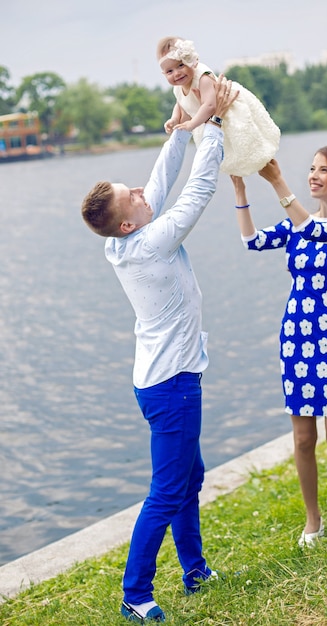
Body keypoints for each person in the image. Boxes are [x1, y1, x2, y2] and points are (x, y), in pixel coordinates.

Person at [81, 76, 238, 623]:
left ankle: (194, 570)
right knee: (168, 490)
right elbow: (195, 191)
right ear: (128, 220)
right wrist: (211, 125)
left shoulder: (120, 241)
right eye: (135, 198)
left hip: (160, 380)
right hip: (172, 385)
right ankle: (135, 594)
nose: (144, 194)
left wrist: (178, 132)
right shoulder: (150, 242)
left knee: (189, 479)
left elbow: (159, 182)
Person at [230, 147, 327, 547]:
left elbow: (315, 230)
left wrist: (278, 182)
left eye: (323, 170)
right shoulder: (296, 223)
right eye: (311, 169)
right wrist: (241, 190)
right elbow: (251, 241)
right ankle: (313, 519)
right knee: (301, 439)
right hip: (297, 336)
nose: (313, 176)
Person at [156, 36, 281, 176]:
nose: (177, 73)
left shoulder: (203, 78)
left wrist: (191, 124)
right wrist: (174, 119)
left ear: (192, 62)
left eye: (180, 65)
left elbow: (210, 105)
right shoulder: (178, 87)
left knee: (246, 146)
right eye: (169, 71)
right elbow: (181, 104)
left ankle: (265, 165)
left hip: (228, 112)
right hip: (208, 120)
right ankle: (238, 185)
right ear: (164, 73)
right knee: (228, 157)